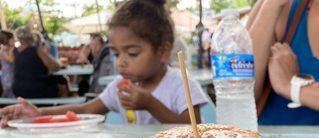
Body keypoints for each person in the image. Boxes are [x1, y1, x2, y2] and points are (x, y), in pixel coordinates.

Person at [1, 0, 207, 127]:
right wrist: (39, 113)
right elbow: (88, 109)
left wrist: (151, 104)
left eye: (132, 53)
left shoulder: (179, 83)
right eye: (116, 54)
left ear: (162, 51)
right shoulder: (120, 86)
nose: (121, 63)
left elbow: (194, 127)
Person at [11, 26, 63, 98]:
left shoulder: (14, 51)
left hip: (18, 89)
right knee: (61, 80)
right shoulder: (37, 50)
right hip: (37, 89)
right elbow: (56, 67)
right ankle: (60, 106)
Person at [0, 30, 15, 98]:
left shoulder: (7, 49)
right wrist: (12, 49)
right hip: (8, 76)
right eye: (13, 38)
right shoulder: (4, 49)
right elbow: (12, 60)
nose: (14, 40)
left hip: (10, 74)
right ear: (7, 40)